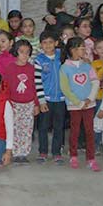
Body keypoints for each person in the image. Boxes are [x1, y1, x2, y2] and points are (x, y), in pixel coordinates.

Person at [59, 37, 101, 172]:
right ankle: (73, 155)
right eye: (81, 48)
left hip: (89, 105)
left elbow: (95, 82)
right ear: (73, 50)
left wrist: (89, 99)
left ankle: (91, 158)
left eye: (84, 48)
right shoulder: (64, 68)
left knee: (89, 131)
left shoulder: (87, 66)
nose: (84, 50)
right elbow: (65, 88)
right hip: (74, 105)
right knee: (75, 131)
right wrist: (78, 102)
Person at [5, 40, 40, 163]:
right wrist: (7, 103)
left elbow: (35, 87)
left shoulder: (32, 68)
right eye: (21, 52)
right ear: (16, 52)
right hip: (14, 103)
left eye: (27, 52)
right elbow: (6, 86)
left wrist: (36, 104)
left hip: (28, 104)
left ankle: (24, 153)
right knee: (14, 128)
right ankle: (15, 152)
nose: (25, 55)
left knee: (27, 129)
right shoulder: (10, 68)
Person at [34, 31, 66, 164]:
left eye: (51, 42)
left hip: (61, 99)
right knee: (43, 127)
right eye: (44, 42)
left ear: (56, 43)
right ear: (40, 45)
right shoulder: (39, 60)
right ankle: (43, 152)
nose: (48, 45)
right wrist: (41, 101)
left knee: (59, 127)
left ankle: (57, 152)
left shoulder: (62, 56)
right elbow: (37, 82)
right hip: (46, 99)